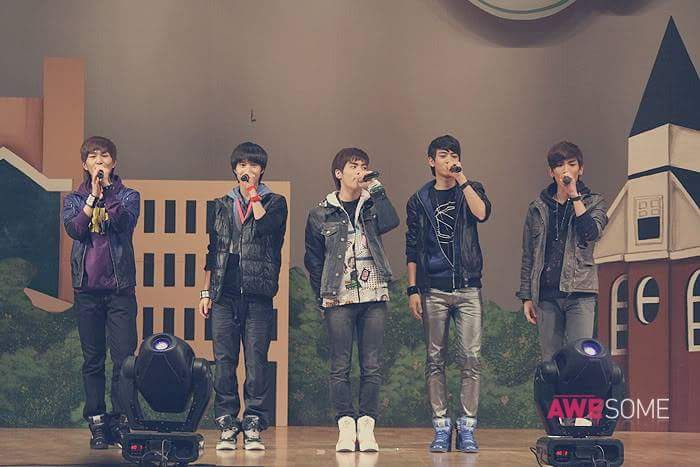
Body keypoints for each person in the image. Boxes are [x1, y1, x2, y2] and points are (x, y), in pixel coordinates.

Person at [304, 147, 399, 452]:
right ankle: (345, 425)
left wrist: (377, 190)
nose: (360, 171)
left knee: (371, 364)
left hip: (374, 295)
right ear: (338, 173)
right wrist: (322, 295)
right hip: (338, 296)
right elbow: (313, 259)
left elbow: (391, 222)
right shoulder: (320, 213)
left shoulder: (372, 205)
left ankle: (367, 426)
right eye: (354, 166)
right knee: (340, 365)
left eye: (363, 166)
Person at [198, 142, 288, 451]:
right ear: (234, 169)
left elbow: (265, 228)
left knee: (256, 360)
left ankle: (253, 422)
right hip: (224, 293)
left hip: (257, 293)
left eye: (253, 165)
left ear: (262, 170)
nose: (246, 169)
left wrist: (253, 194)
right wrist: (206, 292)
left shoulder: (275, 202)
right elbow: (213, 250)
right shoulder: (221, 204)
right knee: (224, 360)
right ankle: (227, 421)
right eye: (241, 165)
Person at [405, 135, 491, 453]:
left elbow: (482, 213)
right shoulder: (419, 199)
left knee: (471, 359)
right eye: (443, 155)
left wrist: (462, 179)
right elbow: (412, 245)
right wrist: (413, 288)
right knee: (434, 359)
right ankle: (441, 426)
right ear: (431, 161)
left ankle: (467, 427)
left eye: (454, 155)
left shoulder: (471, 189)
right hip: (434, 289)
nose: (450, 160)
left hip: (468, 287)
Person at [62, 136, 140, 449]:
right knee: (93, 360)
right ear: (85, 164)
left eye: (104, 156)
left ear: (113, 163)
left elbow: (123, 224)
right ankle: (96, 421)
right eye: (93, 157)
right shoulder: (74, 199)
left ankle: (120, 421)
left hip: (120, 291)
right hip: (87, 292)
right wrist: (92, 197)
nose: (99, 161)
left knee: (124, 360)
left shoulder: (129, 196)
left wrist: (107, 193)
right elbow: (75, 229)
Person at [516, 141, 608, 361]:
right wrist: (526, 296)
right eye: (559, 165)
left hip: (580, 293)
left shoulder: (595, 202)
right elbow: (528, 254)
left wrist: (574, 196)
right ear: (551, 172)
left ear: (581, 169)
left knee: (581, 359)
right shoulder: (537, 208)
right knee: (551, 362)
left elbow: (592, 233)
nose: (565, 170)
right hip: (547, 296)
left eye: (572, 164)